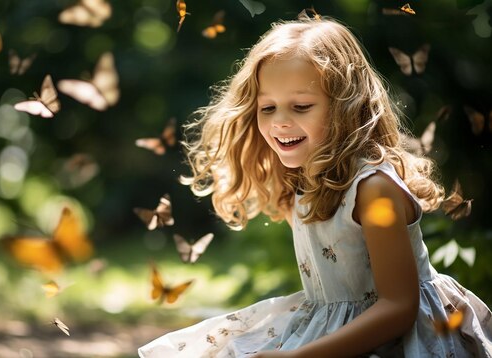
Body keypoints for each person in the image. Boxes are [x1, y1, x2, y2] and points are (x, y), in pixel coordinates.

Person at [138, 12, 492, 358]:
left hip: (400, 339)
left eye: (301, 106)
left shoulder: (373, 190)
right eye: (268, 108)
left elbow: (398, 308)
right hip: (333, 329)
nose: (280, 122)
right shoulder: (304, 178)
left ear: (346, 107)